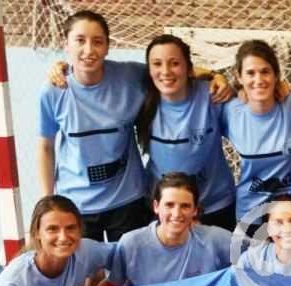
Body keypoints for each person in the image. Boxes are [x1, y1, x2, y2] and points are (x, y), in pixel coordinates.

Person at [41, 11, 230, 241]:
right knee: (85, 263)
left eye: (97, 41)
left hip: (127, 200)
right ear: (66, 44)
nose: (89, 50)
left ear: (108, 46)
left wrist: (214, 75)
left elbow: (169, 69)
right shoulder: (54, 90)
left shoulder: (129, 76)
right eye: (80, 40)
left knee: (132, 262)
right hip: (78, 202)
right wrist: (48, 202)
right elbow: (45, 148)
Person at [136, 35, 235, 231]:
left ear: (189, 68)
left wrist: (280, 87)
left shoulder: (212, 94)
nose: (165, 71)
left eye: (175, 63)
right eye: (157, 64)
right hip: (167, 209)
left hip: (215, 205)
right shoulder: (140, 98)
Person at [224, 40, 291, 229]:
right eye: (250, 73)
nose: (259, 80)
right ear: (239, 77)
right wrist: (215, 76)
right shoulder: (230, 110)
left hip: (290, 214)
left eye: (265, 72)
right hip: (249, 215)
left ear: (276, 75)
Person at [110, 173, 234, 286]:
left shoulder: (215, 240)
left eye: (185, 206)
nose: (176, 214)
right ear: (156, 206)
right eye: (169, 205)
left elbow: (247, 259)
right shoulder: (131, 244)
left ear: (195, 210)